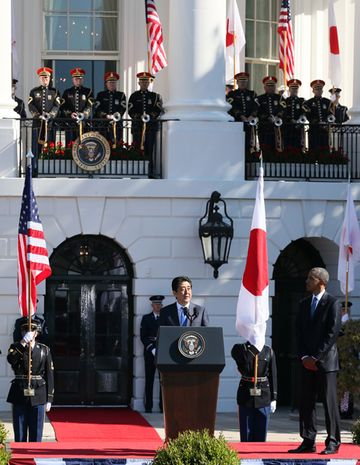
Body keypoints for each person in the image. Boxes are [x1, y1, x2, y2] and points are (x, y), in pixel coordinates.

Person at [289, 267, 342, 455]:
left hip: (325, 363)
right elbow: (299, 333)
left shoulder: (333, 303)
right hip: (306, 363)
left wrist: (316, 357)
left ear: (321, 282)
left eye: (310, 278)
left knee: (329, 403)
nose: (306, 281)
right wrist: (304, 357)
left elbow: (331, 334)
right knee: (306, 402)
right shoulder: (303, 304)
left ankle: (333, 441)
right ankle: (308, 440)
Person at [7, 318, 54, 442]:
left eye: (32, 329)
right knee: (20, 432)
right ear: (21, 332)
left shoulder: (44, 349)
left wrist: (49, 398)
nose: (29, 332)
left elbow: (49, 374)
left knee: (36, 433)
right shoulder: (15, 347)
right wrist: (22, 343)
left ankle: (34, 458)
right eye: (25, 330)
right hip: (19, 393)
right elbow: (11, 360)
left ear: (37, 332)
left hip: (38, 394)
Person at [231, 341, 277, 442]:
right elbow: (243, 361)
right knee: (246, 433)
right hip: (246, 394)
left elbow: (273, 375)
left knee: (261, 432)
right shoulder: (239, 348)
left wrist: (274, 398)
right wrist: (255, 347)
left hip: (263, 394)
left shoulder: (268, 351)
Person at [128, 72, 163, 177]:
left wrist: (149, 116)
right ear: (139, 82)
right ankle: (137, 171)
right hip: (137, 128)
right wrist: (139, 117)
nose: (144, 83)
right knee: (137, 149)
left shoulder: (154, 96)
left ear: (149, 82)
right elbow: (130, 110)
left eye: (146, 81)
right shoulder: (134, 96)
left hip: (150, 128)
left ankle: (149, 172)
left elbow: (157, 109)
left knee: (149, 150)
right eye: (142, 81)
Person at [28, 67, 61, 175]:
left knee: (50, 147)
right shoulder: (34, 91)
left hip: (50, 124)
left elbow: (57, 106)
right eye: (42, 77)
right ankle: (35, 170)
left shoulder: (55, 91)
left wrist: (50, 115)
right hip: (37, 124)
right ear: (39, 79)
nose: (44, 79)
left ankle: (49, 170)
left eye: (46, 77)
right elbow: (31, 105)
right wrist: (37, 115)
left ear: (50, 78)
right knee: (36, 148)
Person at [140, 295, 164, 413]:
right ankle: (148, 406)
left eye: (160, 304)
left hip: (162, 352)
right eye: (156, 304)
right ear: (152, 305)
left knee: (162, 381)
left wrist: (160, 349)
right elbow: (143, 337)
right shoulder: (146, 318)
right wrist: (151, 349)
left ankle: (162, 407)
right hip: (150, 353)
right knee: (149, 380)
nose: (158, 306)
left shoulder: (165, 318)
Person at [226, 72, 258, 155]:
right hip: (238, 122)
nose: (243, 83)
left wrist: (252, 115)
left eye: (244, 81)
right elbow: (231, 106)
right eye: (240, 81)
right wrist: (241, 115)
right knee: (238, 144)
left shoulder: (252, 94)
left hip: (250, 123)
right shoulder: (232, 94)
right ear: (237, 82)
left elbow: (256, 106)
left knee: (250, 144)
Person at [61, 67, 94, 144]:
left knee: (84, 143)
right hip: (70, 124)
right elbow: (63, 107)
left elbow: (89, 105)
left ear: (83, 79)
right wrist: (70, 114)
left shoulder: (88, 92)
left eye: (80, 79)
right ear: (72, 80)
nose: (78, 80)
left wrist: (84, 114)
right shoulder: (67, 92)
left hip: (84, 123)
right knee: (70, 144)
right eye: (76, 79)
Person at [94, 71, 127, 146]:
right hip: (103, 125)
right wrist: (106, 116)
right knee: (103, 145)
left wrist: (116, 115)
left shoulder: (121, 95)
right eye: (110, 82)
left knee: (117, 145)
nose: (112, 84)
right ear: (106, 84)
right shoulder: (101, 95)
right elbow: (97, 108)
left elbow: (123, 108)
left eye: (113, 82)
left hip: (117, 125)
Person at [257, 76, 284, 153]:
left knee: (278, 147)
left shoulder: (280, 98)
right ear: (264, 87)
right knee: (265, 148)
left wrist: (278, 116)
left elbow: (283, 108)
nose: (271, 87)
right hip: (264, 128)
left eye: (272, 85)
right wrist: (267, 117)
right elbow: (258, 111)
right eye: (268, 85)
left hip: (277, 128)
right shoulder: (260, 98)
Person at [304, 80, 331, 151]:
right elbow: (308, 115)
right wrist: (316, 122)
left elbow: (330, 114)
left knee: (324, 149)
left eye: (320, 89)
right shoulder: (309, 102)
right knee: (314, 149)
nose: (319, 91)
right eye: (317, 89)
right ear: (313, 91)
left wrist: (326, 121)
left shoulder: (327, 102)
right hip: (314, 129)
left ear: (322, 91)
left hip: (325, 130)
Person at [338, 300, 354, 419]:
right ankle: (342, 410)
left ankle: (348, 410)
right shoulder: (337, 325)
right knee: (341, 387)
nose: (345, 312)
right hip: (339, 360)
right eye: (343, 310)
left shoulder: (352, 326)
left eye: (347, 310)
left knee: (349, 388)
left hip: (350, 361)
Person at [283, 79, 307, 152]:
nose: (294, 90)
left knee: (298, 145)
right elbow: (284, 112)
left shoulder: (302, 101)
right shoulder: (285, 101)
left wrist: (300, 119)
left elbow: (305, 111)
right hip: (288, 128)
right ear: (289, 89)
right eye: (293, 88)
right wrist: (290, 119)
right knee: (288, 145)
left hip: (298, 128)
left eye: (296, 88)